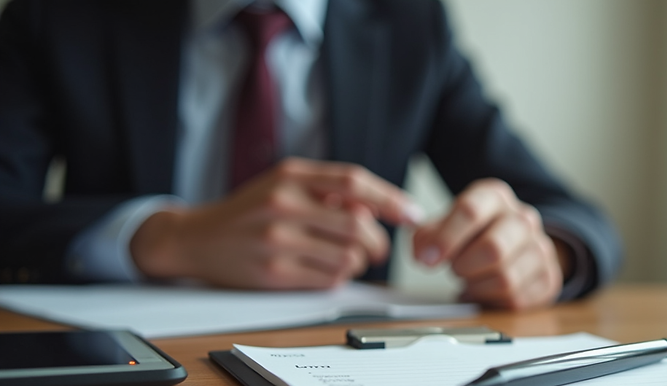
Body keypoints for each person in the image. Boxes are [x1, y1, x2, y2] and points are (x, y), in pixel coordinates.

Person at [0, 0, 621, 310]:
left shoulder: (408, 22)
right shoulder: (57, 15)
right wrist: (168, 238)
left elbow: (572, 214)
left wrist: (544, 254)